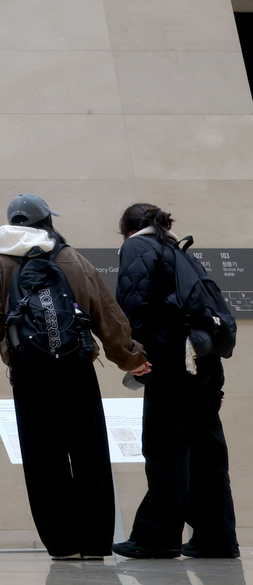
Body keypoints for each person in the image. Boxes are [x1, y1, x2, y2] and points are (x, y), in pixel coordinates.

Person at [0, 194, 150, 561]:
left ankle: (62, 544)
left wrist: (17, 351)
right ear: (46, 221)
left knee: (42, 458)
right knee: (89, 455)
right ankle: (94, 543)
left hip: (29, 375)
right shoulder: (72, 259)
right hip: (76, 368)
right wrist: (129, 358)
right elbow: (108, 315)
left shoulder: (0, 265)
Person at [112, 203, 238, 560]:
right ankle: (217, 538)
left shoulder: (138, 247)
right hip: (206, 359)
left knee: (165, 450)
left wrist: (133, 356)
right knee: (207, 453)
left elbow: (133, 305)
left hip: (173, 363)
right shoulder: (176, 249)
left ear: (127, 228)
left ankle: (157, 538)